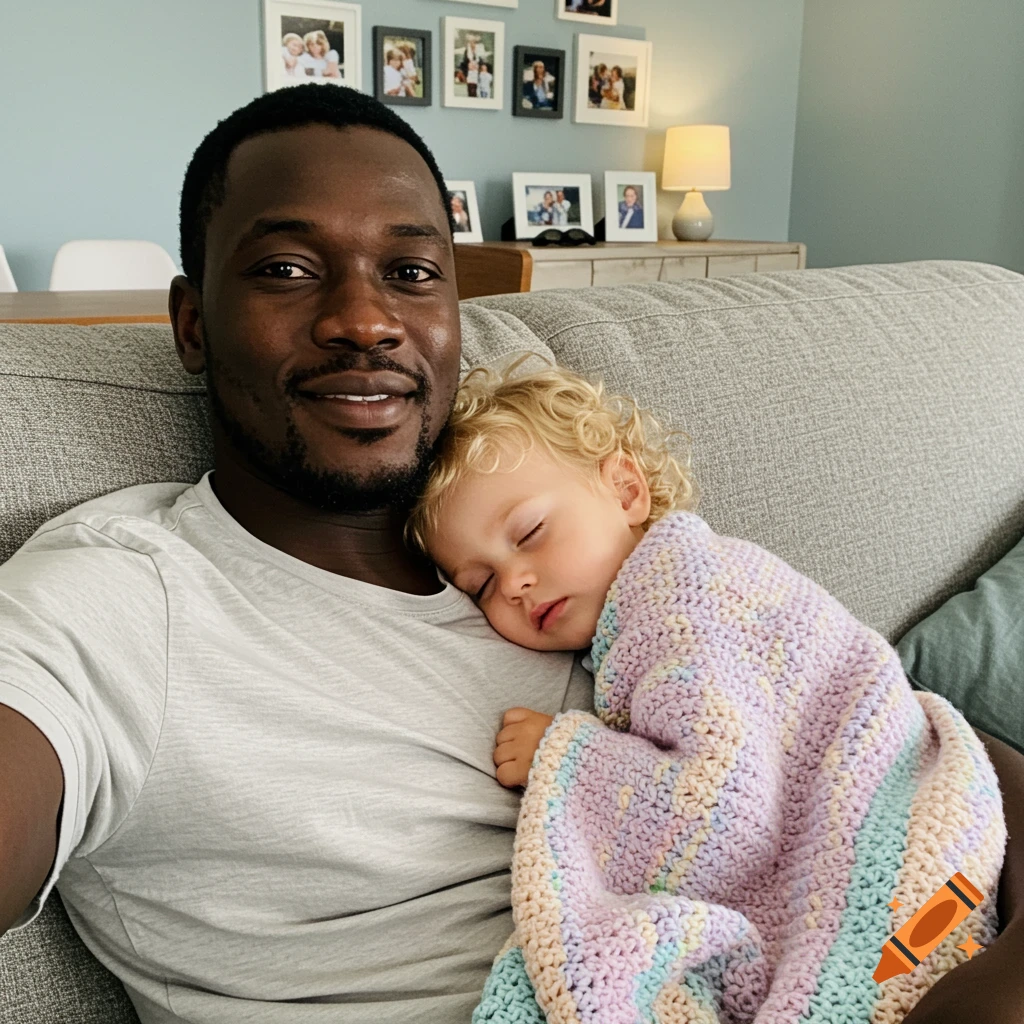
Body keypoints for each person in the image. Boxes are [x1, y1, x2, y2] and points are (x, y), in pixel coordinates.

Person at [0, 85, 595, 1023]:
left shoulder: (554, 536)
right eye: (285, 269)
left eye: (409, 272)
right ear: (193, 324)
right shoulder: (124, 595)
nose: (365, 320)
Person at [407, 359, 1020, 1022]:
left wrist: (568, 757)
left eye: (529, 534)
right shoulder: (643, 608)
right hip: (938, 853)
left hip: (911, 846)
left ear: (626, 491)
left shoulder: (680, 600)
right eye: (481, 585)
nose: (516, 583)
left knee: (859, 988)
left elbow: (722, 805)